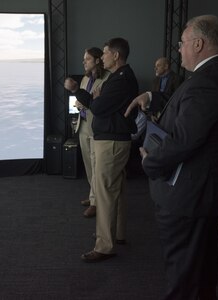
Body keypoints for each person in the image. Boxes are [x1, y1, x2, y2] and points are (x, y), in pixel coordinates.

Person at [124, 15, 218, 299]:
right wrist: (153, 98)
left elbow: (184, 140)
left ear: (199, 43)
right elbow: (192, 112)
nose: (179, 49)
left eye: (182, 43)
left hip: (189, 195)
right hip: (207, 192)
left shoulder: (206, 82)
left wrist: (148, 162)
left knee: (184, 278)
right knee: (202, 274)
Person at [65, 37, 138, 262]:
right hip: (114, 139)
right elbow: (98, 103)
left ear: (115, 56)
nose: (102, 57)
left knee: (105, 193)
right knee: (115, 189)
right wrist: (90, 96)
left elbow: (99, 106)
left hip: (112, 141)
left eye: (105, 53)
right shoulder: (119, 77)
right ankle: (117, 233)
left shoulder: (120, 80)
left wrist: (91, 97)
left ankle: (105, 245)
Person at [69, 47, 110, 218]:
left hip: (96, 126)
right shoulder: (86, 78)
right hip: (83, 124)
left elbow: (99, 103)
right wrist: (80, 103)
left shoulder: (108, 79)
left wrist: (87, 102)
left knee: (96, 165)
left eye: (87, 59)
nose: (83, 62)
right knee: (88, 164)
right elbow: (85, 98)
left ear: (97, 60)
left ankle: (96, 202)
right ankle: (93, 196)